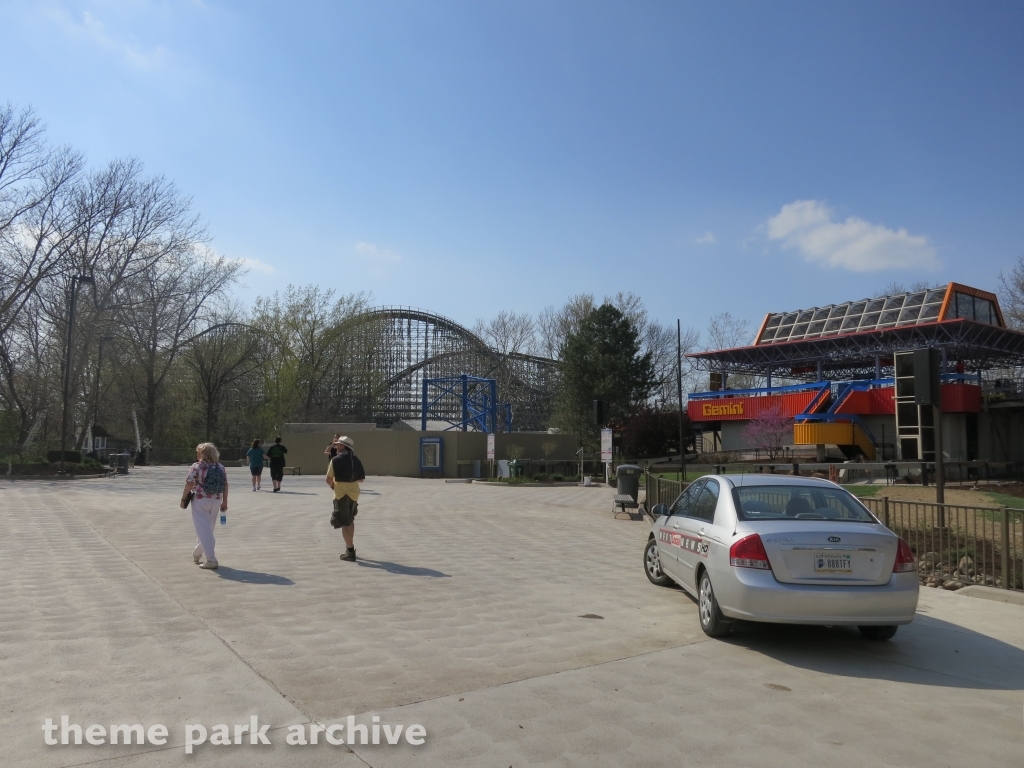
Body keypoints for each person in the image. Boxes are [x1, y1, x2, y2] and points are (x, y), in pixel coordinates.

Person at [181, 442, 228, 570]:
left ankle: (211, 559)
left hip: (201, 500)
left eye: (198, 451)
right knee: (207, 529)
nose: (196, 454)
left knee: (203, 529)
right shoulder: (220, 467)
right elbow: (225, 485)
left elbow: (190, 484)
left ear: (203, 454)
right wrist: (225, 502)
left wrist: (184, 498)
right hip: (216, 500)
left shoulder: (197, 466)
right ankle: (197, 554)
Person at [325, 436, 365, 561]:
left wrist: (333, 486)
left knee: (344, 523)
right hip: (354, 494)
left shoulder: (335, 460)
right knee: (350, 520)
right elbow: (361, 479)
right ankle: (350, 547)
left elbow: (328, 479)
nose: (336, 447)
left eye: (337, 445)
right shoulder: (356, 459)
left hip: (341, 494)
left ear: (343, 446)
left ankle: (350, 550)